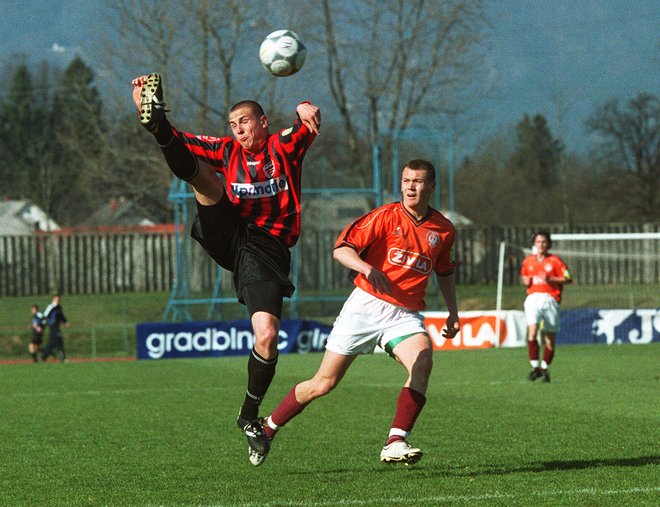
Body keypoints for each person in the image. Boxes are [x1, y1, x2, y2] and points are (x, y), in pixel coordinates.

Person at [131, 73, 321, 466]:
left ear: (263, 122)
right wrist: (157, 123)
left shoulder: (284, 148)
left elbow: (307, 123)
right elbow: (188, 143)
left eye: (245, 123)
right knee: (203, 178)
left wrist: (305, 106)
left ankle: (249, 417)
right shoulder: (227, 150)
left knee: (267, 336)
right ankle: (155, 123)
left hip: (267, 252)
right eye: (233, 125)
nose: (238, 130)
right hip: (231, 231)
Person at [259, 159, 460, 466]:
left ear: (431, 186)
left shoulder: (443, 230)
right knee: (323, 383)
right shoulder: (385, 216)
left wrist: (453, 313)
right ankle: (268, 427)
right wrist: (367, 267)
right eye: (406, 180)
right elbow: (341, 248)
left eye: (417, 181)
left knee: (422, 362)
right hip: (365, 307)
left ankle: (395, 440)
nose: (410, 186)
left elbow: (444, 271)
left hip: (404, 314)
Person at [520, 231, 572, 383]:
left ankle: (544, 368)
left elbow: (568, 278)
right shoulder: (528, 261)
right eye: (538, 242)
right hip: (532, 299)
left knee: (550, 338)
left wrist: (550, 278)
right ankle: (534, 366)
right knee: (533, 331)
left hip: (550, 300)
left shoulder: (555, 261)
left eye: (543, 242)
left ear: (548, 244)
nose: (541, 245)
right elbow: (524, 278)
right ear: (534, 244)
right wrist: (527, 279)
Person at [40, 294, 70, 363]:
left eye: (58, 299)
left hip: (57, 326)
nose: (57, 301)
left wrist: (65, 322)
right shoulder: (50, 307)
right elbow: (45, 317)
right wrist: (42, 326)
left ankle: (43, 357)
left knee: (51, 343)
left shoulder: (59, 307)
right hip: (53, 327)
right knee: (59, 341)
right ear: (53, 299)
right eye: (56, 299)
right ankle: (63, 358)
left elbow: (61, 315)